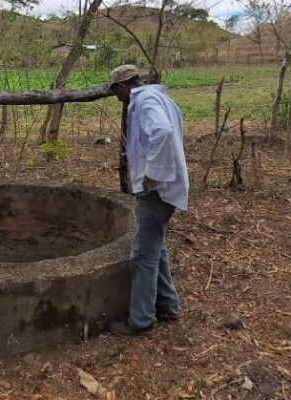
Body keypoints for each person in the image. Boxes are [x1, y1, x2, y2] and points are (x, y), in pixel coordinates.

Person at [107, 65, 190, 336]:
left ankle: (141, 320)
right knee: (157, 247)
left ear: (123, 87)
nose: (117, 98)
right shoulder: (157, 97)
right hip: (166, 186)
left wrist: (152, 174)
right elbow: (157, 136)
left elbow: (163, 133)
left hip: (157, 191)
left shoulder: (144, 102)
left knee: (143, 254)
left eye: (116, 92)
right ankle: (168, 304)